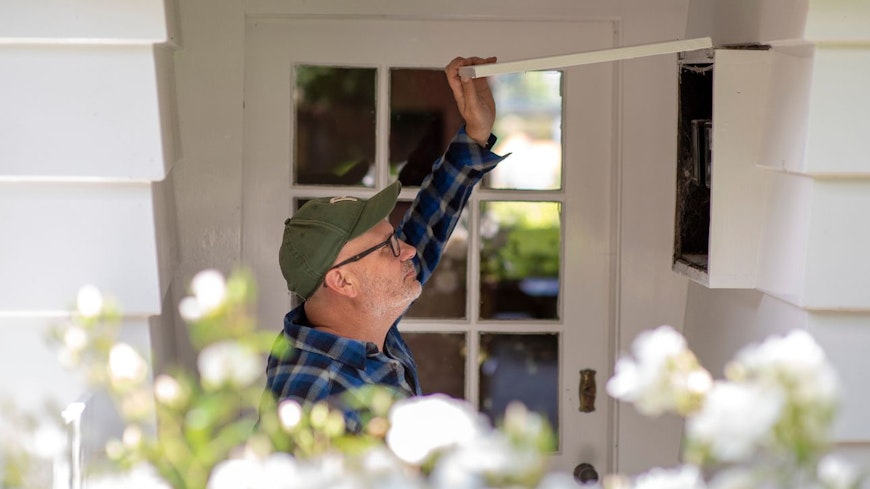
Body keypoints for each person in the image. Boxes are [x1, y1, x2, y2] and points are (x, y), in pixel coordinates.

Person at [264, 56, 506, 432]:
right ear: (343, 282)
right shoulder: (317, 402)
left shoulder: (355, 324)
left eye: (394, 239)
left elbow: (427, 223)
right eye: (390, 247)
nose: (407, 250)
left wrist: (475, 133)